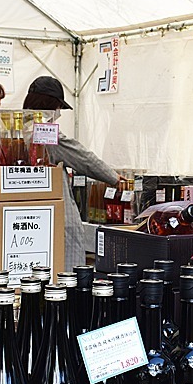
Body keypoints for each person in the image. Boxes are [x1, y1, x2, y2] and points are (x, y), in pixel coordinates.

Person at [23, 76, 121, 270]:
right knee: (68, 273)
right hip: (59, 214)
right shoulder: (44, 132)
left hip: (30, 213)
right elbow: (81, 156)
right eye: (59, 108)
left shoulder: (18, 127)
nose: (59, 113)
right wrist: (113, 178)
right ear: (52, 105)